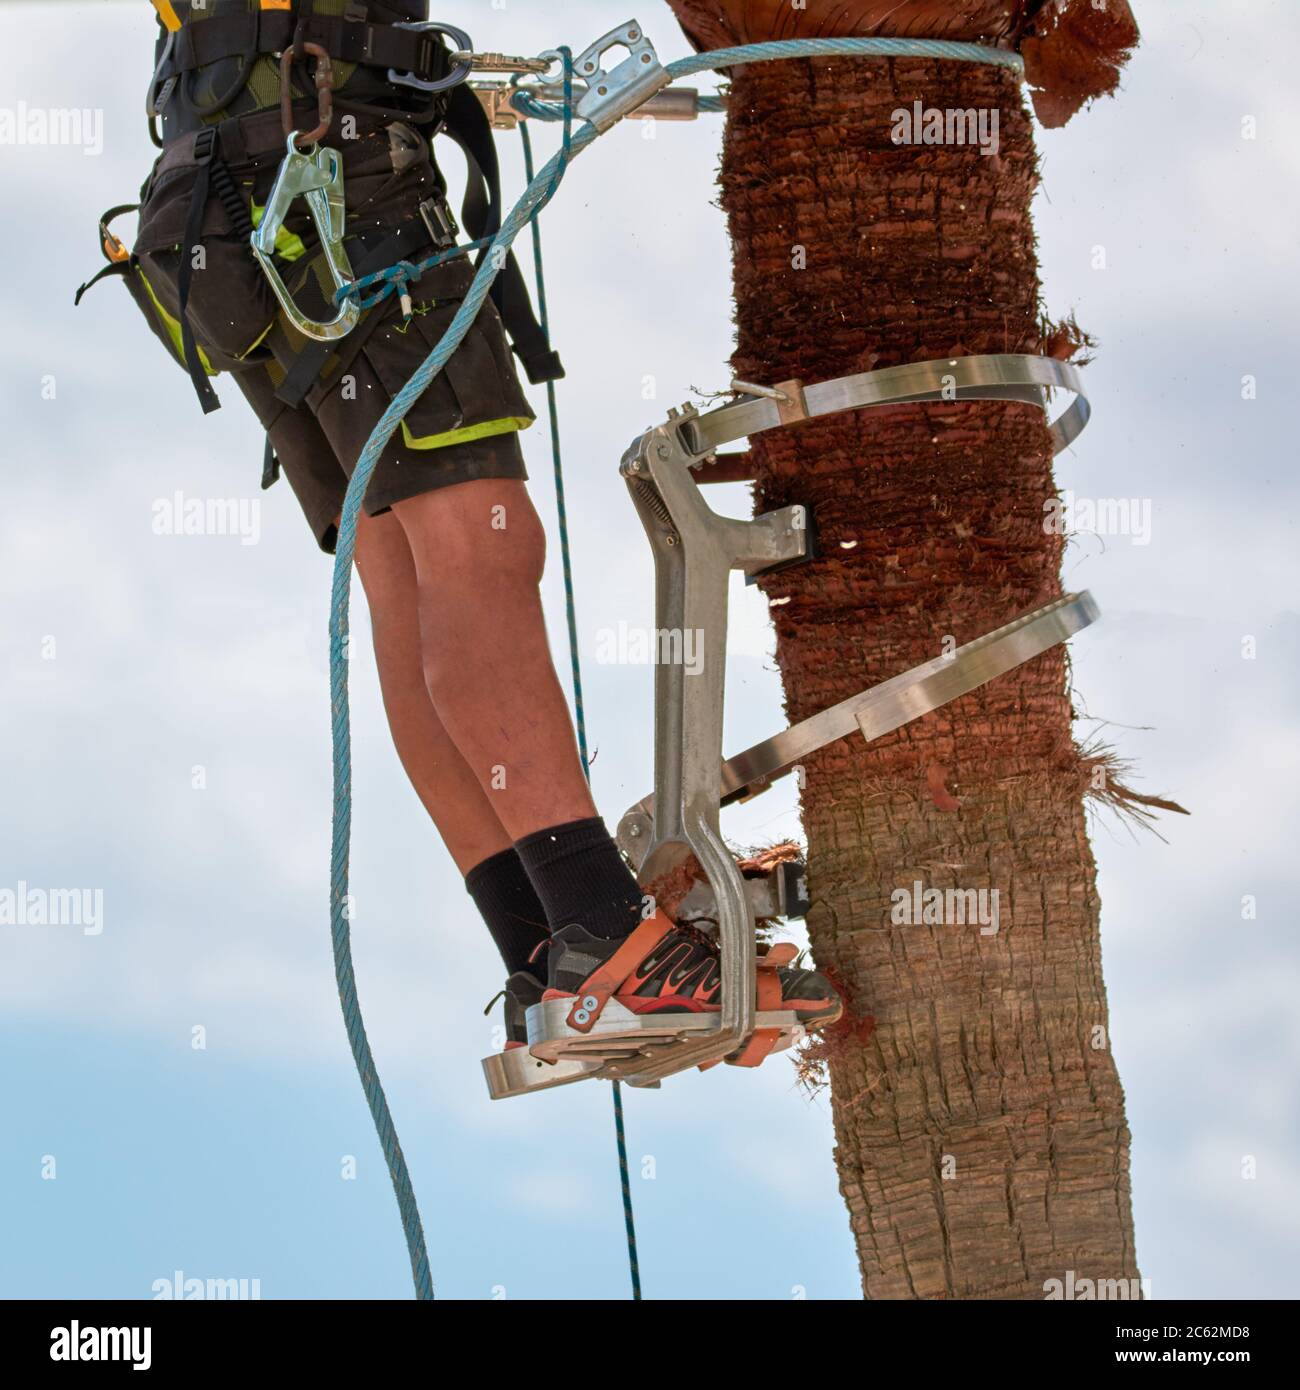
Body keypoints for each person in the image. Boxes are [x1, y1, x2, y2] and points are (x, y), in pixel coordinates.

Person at [108, 0, 840, 1062]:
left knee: (410, 576)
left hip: (224, 203)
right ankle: (601, 941)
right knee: (476, 553)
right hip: (331, 183)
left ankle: (552, 948)